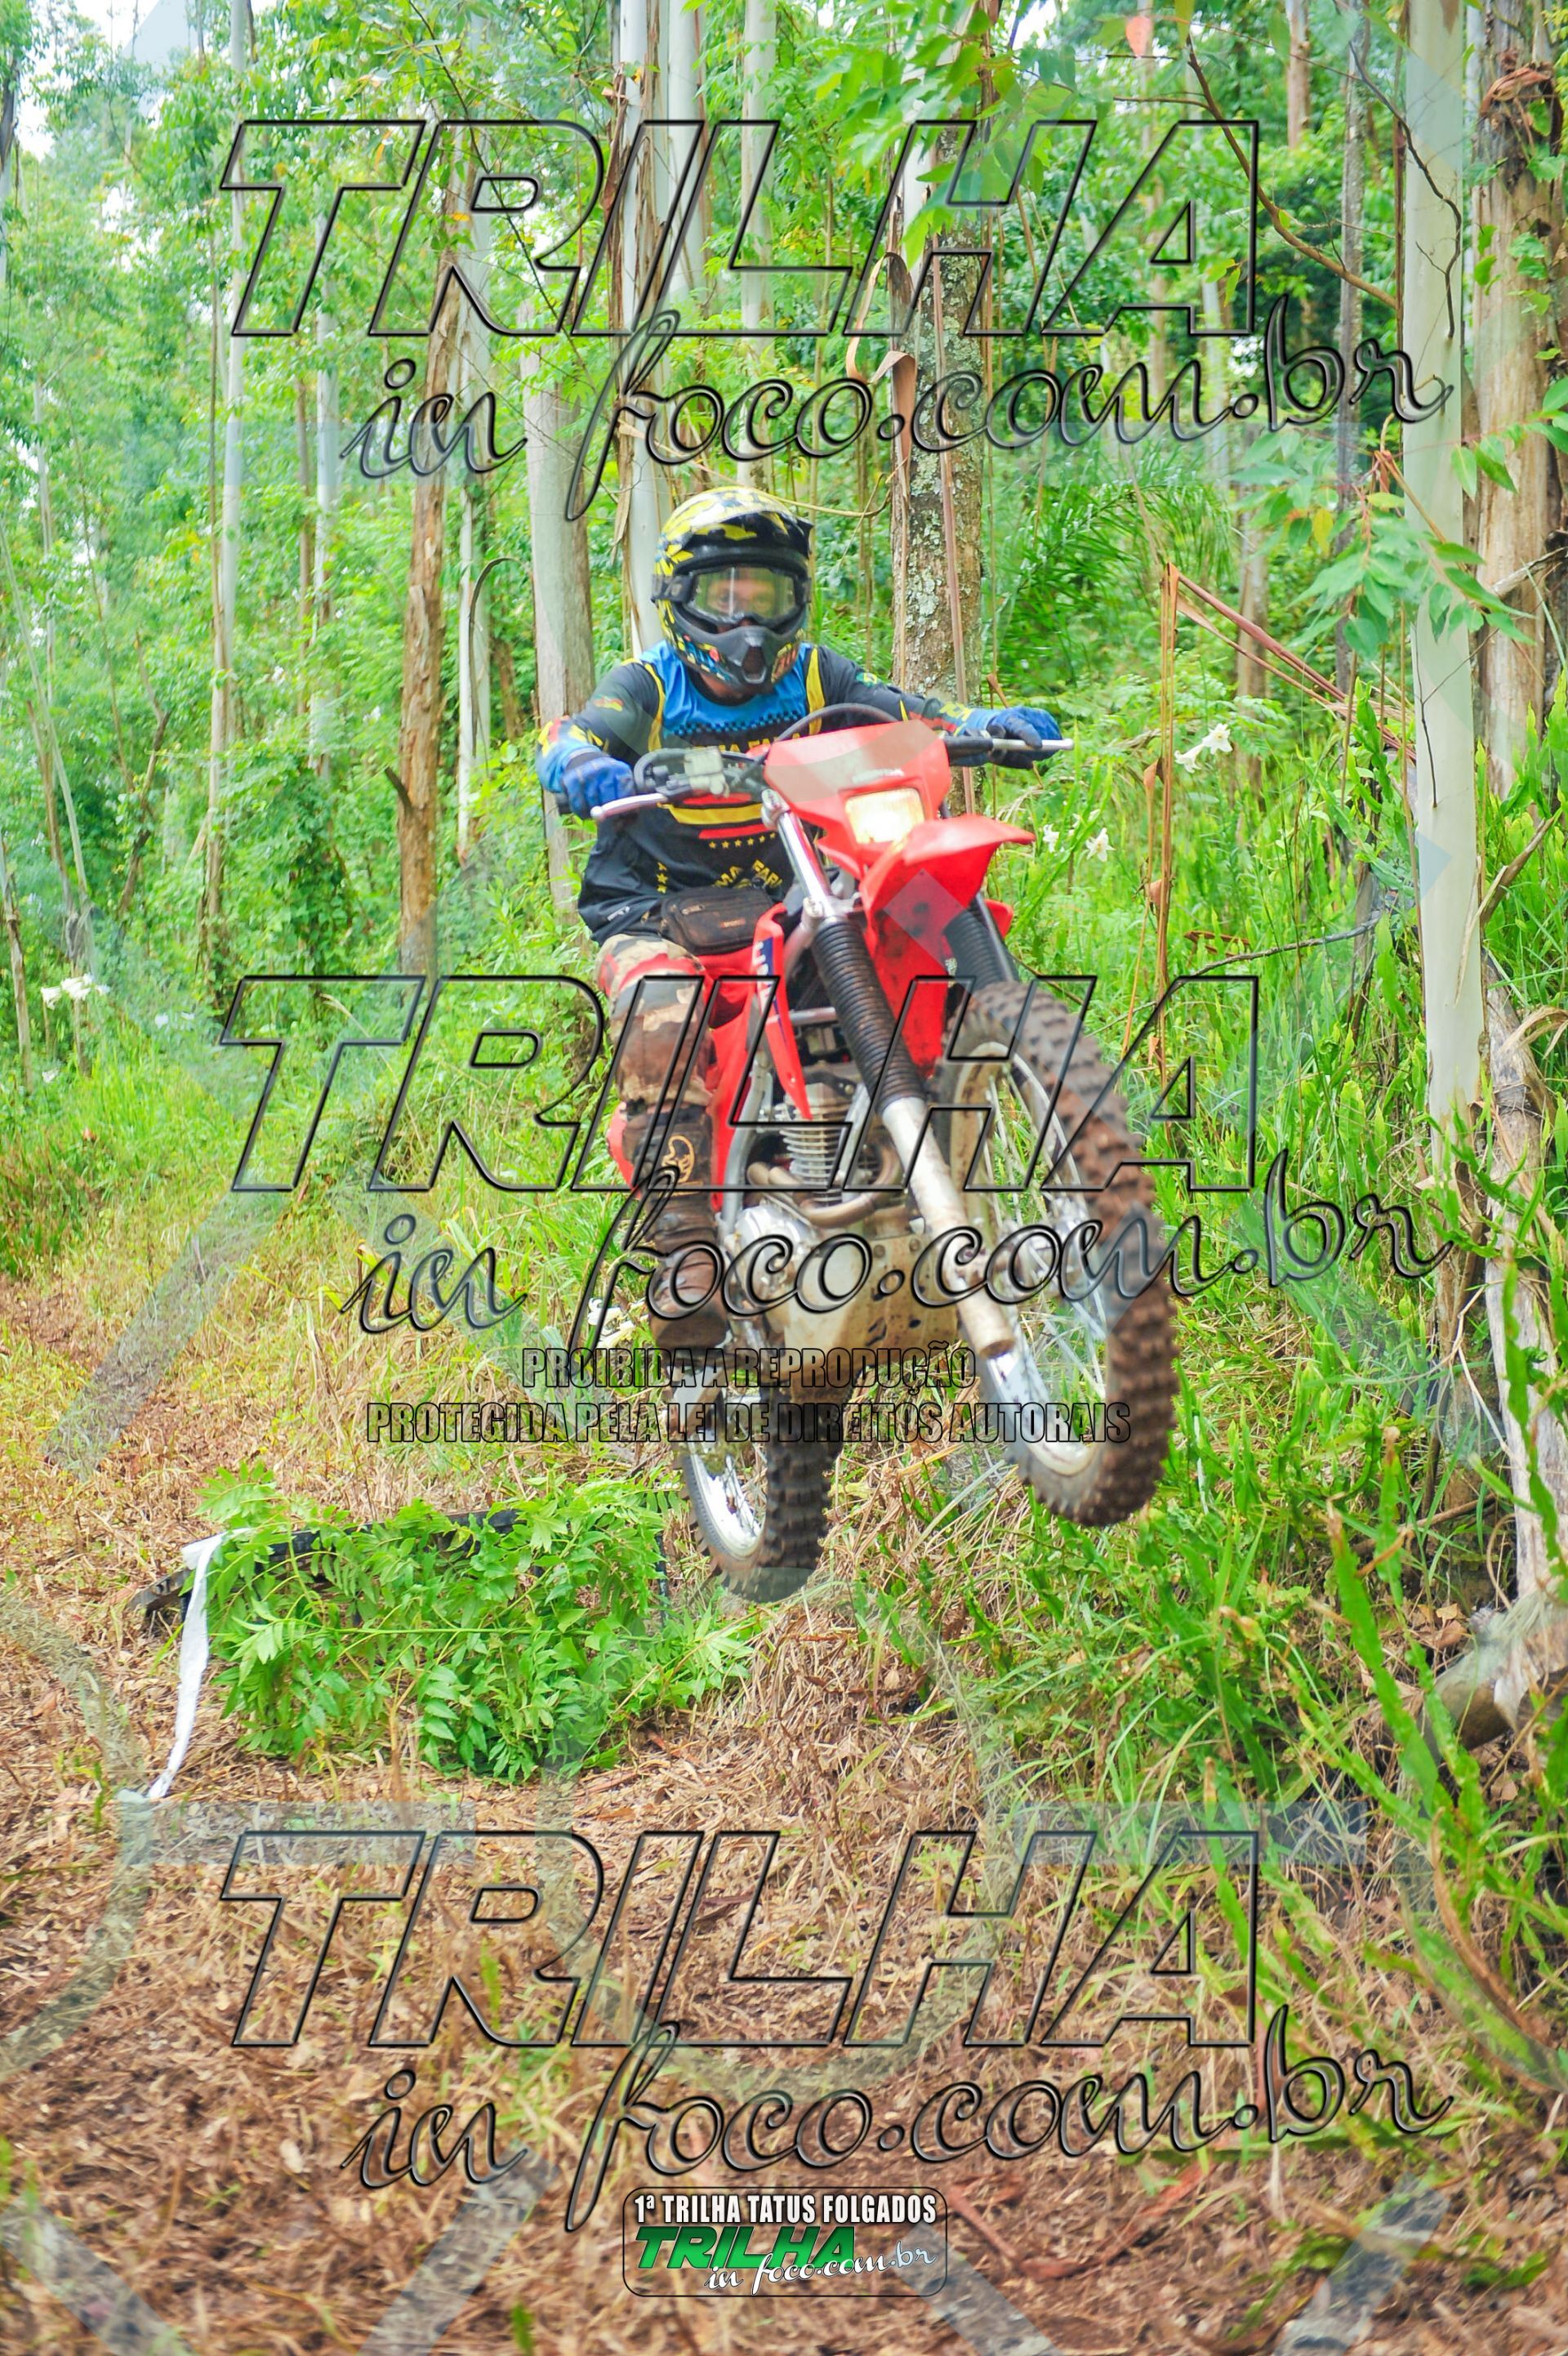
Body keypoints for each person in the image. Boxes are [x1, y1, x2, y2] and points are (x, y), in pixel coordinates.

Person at [537, 484, 1059, 1343]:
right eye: (724, 595)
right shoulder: (647, 686)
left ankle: (1010, 1120)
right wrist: (583, 767)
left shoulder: (821, 675)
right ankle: (686, 1255)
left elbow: (911, 711)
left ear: (796, 598)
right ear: (680, 601)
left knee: (918, 918)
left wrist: (983, 724)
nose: (747, 621)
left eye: (765, 594)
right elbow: (571, 734)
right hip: (662, 910)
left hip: (801, 892)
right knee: (660, 1006)